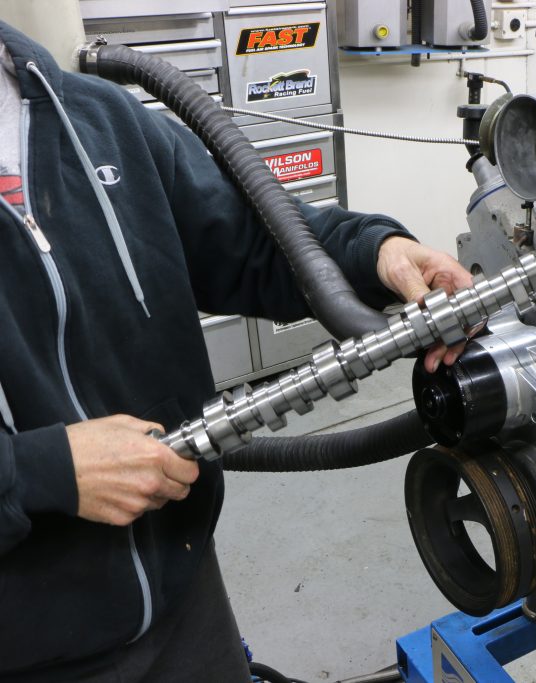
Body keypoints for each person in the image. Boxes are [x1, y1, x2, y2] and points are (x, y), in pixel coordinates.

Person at [0, 20, 471, 682]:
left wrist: (376, 251)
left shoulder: (95, 115)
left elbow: (253, 241)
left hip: (182, 590)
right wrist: (41, 470)